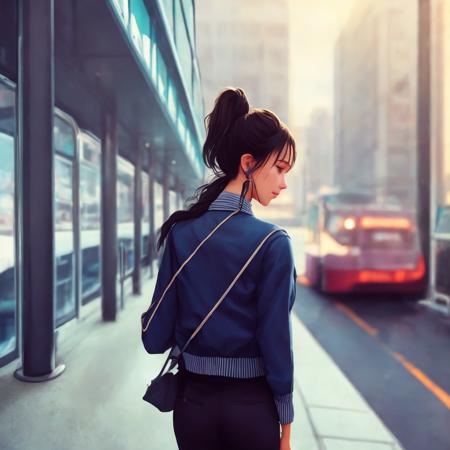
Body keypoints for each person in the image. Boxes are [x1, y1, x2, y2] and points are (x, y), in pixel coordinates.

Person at [141, 87, 297, 450]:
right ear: (248, 163)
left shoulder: (182, 231)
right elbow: (277, 343)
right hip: (251, 409)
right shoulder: (274, 243)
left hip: (192, 407)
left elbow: (155, 337)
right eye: (279, 168)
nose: (284, 183)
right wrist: (286, 426)